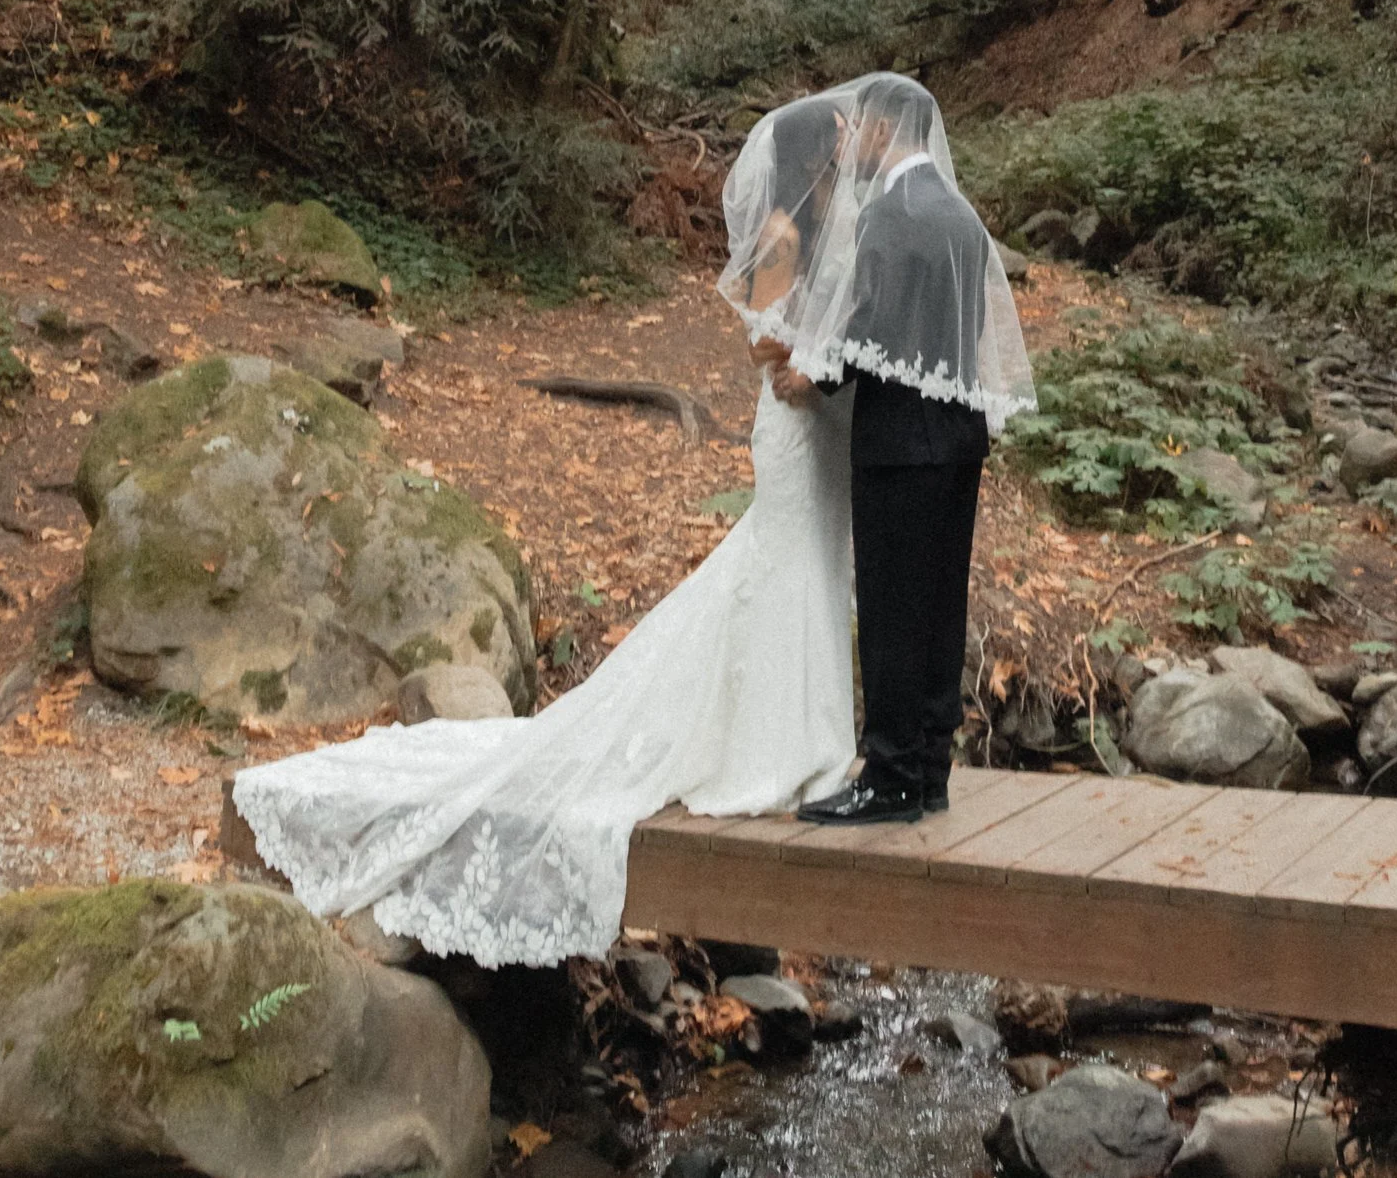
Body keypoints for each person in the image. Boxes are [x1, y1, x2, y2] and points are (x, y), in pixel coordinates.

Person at [229, 93, 857, 964]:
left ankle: (808, 739)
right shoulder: (783, 233)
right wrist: (809, 368)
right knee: (777, 567)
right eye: (830, 146)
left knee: (810, 570)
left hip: (826, 425)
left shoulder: (834, 233)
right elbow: (761, 337)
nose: (842, 155)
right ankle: (767, 750)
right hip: (791, 422)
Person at [762, 72, 1034, 826]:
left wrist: (814, 376)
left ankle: (886, 777)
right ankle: (929, 769)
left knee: (889, 608)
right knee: (940, 606)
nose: (858, 141)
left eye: (865, 128)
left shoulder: (886, 216)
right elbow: (964, 329)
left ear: (885, 130)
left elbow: (868, 327)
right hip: (958, 439)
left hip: (897, 445)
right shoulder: (960, 215)